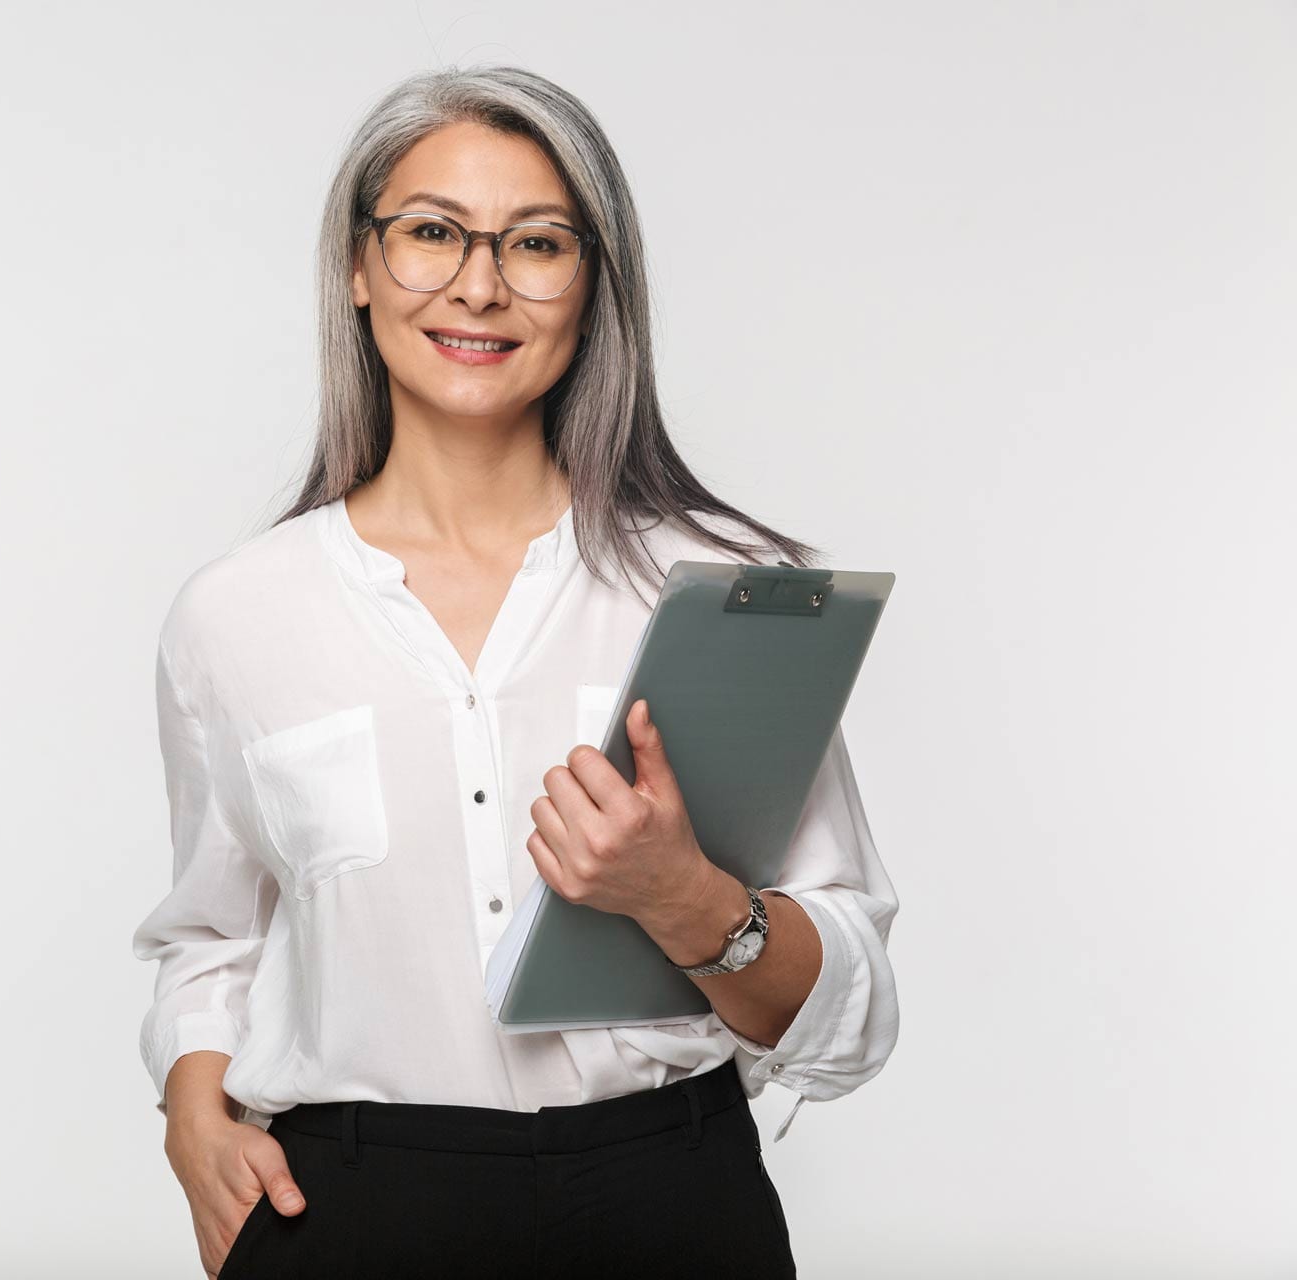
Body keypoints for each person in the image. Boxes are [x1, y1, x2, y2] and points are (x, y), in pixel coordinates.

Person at [131, 64, 900, 1279]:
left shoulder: (723, 596)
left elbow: (851, 1016)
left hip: (668, 1203)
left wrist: (687, 898)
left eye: (535, 243)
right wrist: (190, 1110)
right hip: (344, 1211)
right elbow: (213, 933)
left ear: (592, 286)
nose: (479, 285)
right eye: (432, 232)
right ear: (357, 265)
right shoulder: (237, 617)